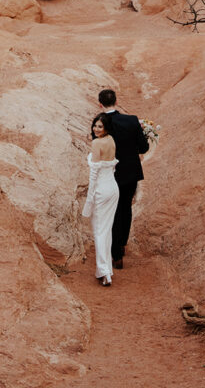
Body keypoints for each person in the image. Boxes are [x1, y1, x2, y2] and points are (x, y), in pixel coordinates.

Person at [97, 88, 149, 269]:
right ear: (116, 102)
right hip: (128, 173)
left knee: (109, 211)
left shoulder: (100, 124)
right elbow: (143, 148)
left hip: (109, 174)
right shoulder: (132, 121)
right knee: (125, 209)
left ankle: (113, 250)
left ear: (100, 104)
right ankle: (120, 246)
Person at [82, 112, 119, 286]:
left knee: (99, 230)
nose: (96, 129)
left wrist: (89, 201)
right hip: (113, 188)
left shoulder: (97, 143)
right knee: (107, 230)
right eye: (95, 125)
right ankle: (107, 269)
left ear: (106, 128)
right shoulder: (111, 140)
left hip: (102, 190)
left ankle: (104, 272)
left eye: (100, 126)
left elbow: (94, 174)